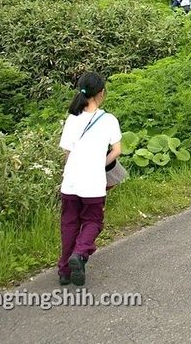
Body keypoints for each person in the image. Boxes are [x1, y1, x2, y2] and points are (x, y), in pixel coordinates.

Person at [57, 72, 122, 286]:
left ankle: (65, 271)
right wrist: (99, 164)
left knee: (69, 223)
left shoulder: (72, 118)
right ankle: (80, 252)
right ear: (101, 93)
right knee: (93, 221)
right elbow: (116, 151)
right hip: (93, 183)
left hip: (71, 181)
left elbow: (67, 152)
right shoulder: (108, 119)